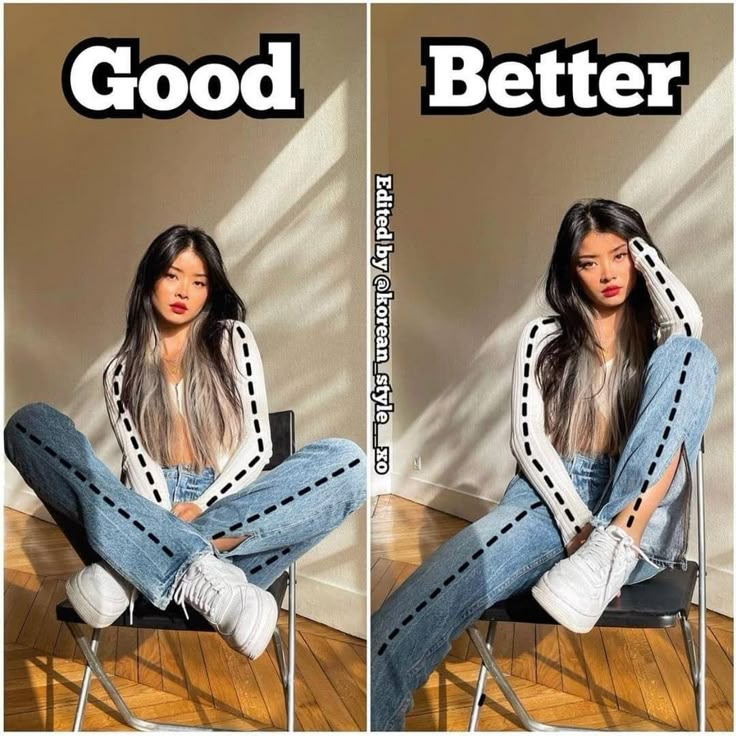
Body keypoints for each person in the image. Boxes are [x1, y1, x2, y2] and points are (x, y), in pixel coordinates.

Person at [370, 199, 718, 730]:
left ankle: (616, 545)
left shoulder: (664, 343)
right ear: (568, 270)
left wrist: (644, 255)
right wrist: (582, 527)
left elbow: (690, 324)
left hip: (639, 517)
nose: (606, 273)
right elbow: (529, 444)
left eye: (620, 255)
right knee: (435, 587)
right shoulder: (543, 337)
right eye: (588, 262)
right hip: (550, 500)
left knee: (696, 355)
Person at [5, 224, 366, 660]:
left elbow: (256, 446)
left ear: (210, 291)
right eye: (173, 275)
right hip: (143, 509)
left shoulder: (232, 340)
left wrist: (202, 508)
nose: (184, 291)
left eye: (199, 282)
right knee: (29, 426)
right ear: (151, 279)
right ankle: (195, 574)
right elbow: (140, 465)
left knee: (348, 463)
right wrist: (157, 523)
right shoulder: (121, 372)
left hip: (229, 517)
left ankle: (131, 571)